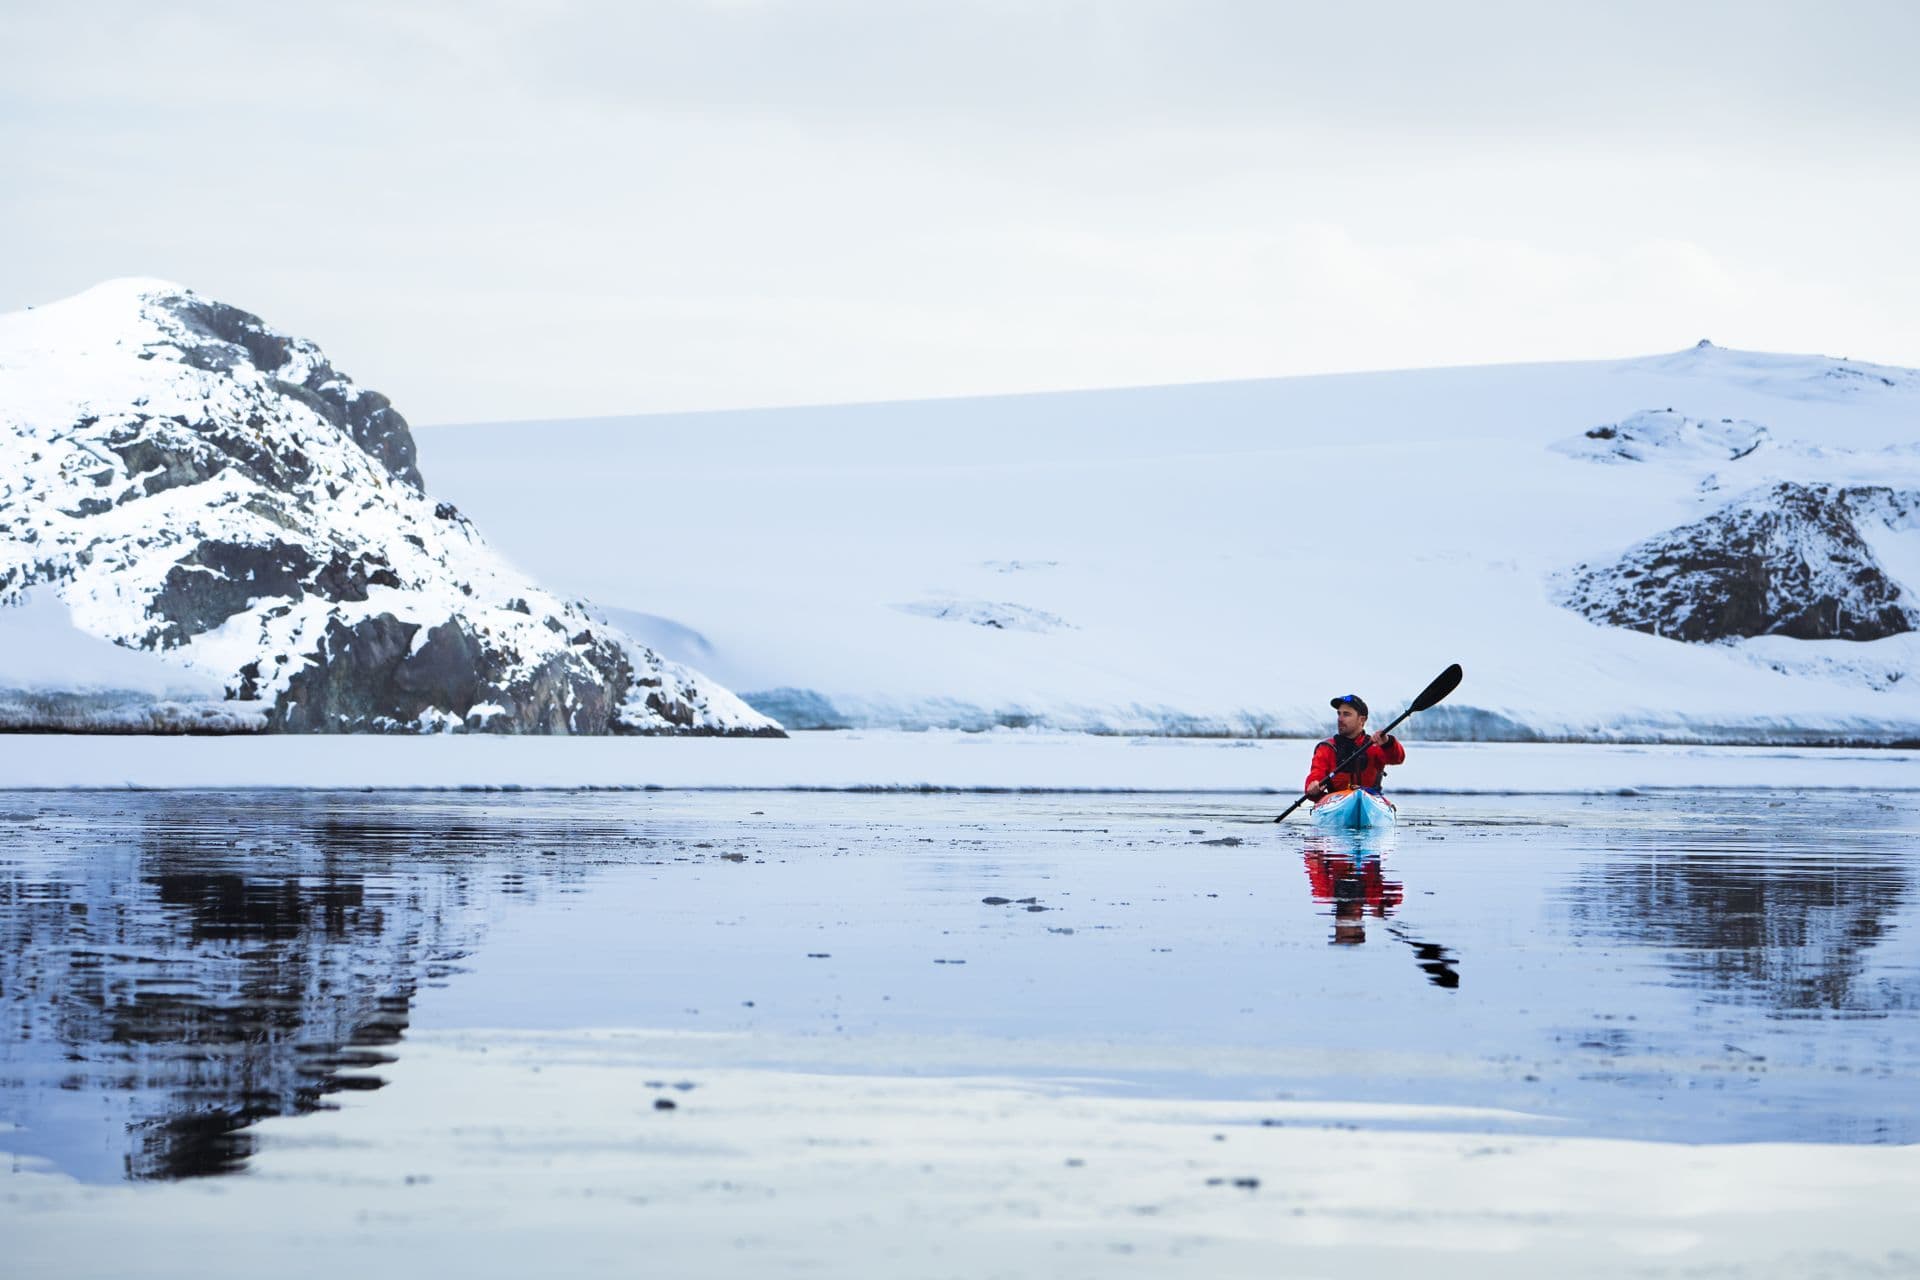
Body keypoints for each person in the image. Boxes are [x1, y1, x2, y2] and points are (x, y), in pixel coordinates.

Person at [1303, 693, 1405, 801]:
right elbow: (1316, 774)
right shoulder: (1327, 748)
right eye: (1339, 714)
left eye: (1346, 714)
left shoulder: (1375, 745)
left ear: (1362, 720)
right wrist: (1312, 785)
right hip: (1336, 801)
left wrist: (1387, 742)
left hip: (1370, 799)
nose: (1340, 719)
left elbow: (1397, 758)